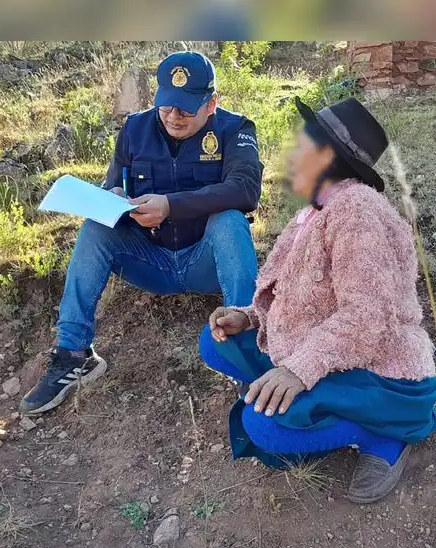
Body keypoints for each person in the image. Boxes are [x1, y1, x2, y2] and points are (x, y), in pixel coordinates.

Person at [200, 97, 436, 504]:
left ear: (326, 159)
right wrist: (251, 316)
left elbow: (368, 317)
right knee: (214, 342)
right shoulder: (318, 209)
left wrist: (299, 370)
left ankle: (383, 435)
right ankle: (300, 400)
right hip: (322, 345)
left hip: (377, 366)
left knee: (264, 427)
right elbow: (300, 295)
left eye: (302, 146)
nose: (293, 153)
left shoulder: (357, 212)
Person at [20, 50, 264, 415]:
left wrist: (170, 205)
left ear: (211, 103)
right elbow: (114, 182)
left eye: (186, 108)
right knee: (96, 229)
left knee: (229, 220)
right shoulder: (135, 129)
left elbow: (245, 190)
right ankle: (74, 354)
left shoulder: (236, 130)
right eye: (167, 105)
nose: (174, 116)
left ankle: (246, 356)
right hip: (151, 259)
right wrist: (116, 200)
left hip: (207, 261)